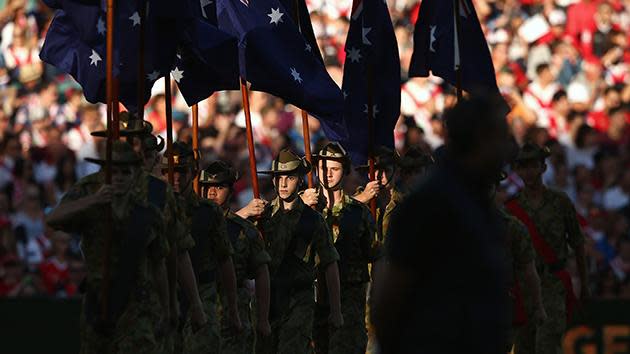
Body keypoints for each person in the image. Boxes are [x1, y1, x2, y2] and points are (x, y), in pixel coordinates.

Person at [372, 95, 512, 354]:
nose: (507, 148)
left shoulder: (478, 201)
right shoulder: (430, 204)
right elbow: (390, 298)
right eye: (501, 138)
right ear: (480, 140)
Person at [45, 141, 170, 354]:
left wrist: (168, 309)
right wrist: (93, 200)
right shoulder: (93, 206)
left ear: (135, 176)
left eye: (125, 172)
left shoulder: (148, 215)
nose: (119, 177)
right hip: (98, 301)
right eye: (114, 172)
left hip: (137, 305)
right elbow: (53, 219)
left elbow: (159, 264)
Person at [237, 148, 343, 354]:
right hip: (266, 300)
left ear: (300, 180)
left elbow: (330, 264)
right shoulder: (262, 216)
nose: (283, 184)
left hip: (298, 301)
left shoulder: (312, 220)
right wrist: (244, 214)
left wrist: (336, 310)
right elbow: (220, 234)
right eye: (278, 178)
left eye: (290, 177)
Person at [507, 142, 590, 354]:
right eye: (523, 166)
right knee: (524, 348)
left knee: (548, 347)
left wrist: (585, 284)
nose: (528, 171)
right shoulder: (512, 207)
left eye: (533, 165)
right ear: (517, 170)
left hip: (553, 285)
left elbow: (578, 244)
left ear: (543, 168)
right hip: (523, 288)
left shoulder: (560, 201)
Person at [300, 142, 382, 354]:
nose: (327, 174)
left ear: (344, 171)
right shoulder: (304, 209)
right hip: (312, 298)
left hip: (349, 298)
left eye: (334, 169)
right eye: (322, 169)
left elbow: (372, 253)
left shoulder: (358, 212)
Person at [159, 142, 241, 353]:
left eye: (182, 171)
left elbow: (224, 259)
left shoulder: (208, 212)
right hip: (163, 296)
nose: (175, 177)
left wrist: (233, 309)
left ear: (194, 172)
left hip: (203, 294)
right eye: (170, 171)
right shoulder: (154, 208)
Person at [199, 160, 272, 353]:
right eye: (207, 187)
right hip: (200, 315)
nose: (212, 192)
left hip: (234, 318)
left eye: (219, 187)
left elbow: (262, 273)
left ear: (231, 191)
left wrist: (263, 319)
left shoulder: (244, 230)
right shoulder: (192, 225)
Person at [353, 146, 399, 241]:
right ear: (369, 174)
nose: (380, 175)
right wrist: (361, 199)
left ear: (396, 173)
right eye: (376, 170)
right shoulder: (358, 199)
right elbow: (339, 216)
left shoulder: (405, 202)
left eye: (386, 170)